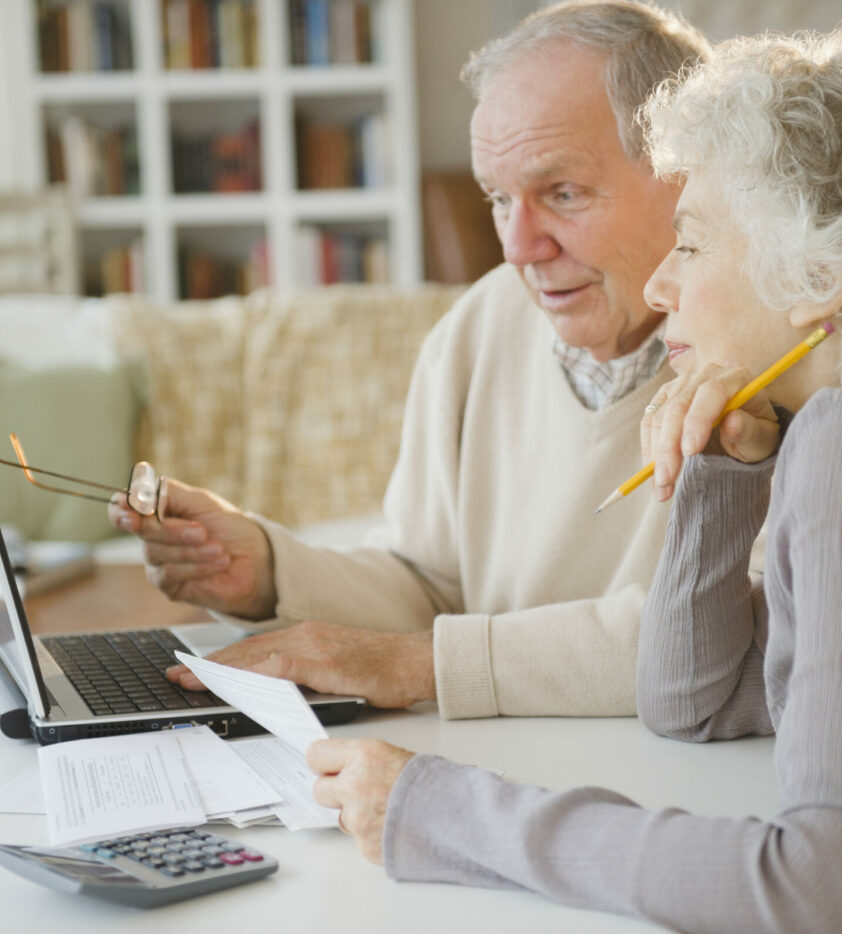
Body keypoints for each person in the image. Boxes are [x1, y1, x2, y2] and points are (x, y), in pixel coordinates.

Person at [306, 26, 842, 932]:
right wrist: (724, 468)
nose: (661, 289)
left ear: (822, 281)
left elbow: (821, 894)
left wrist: (441, 811)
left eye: (690, 245)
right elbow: (693, 698)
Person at [110, 2, 712, 719]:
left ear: (687, 172)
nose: (519, 247)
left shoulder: (780, 353)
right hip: (485, 769)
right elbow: (426, 585)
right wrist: (267, 573)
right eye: (498, 198)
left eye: (562, 193)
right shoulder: (479, 327)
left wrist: (421, 664)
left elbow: (737, 631)